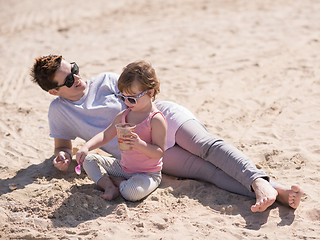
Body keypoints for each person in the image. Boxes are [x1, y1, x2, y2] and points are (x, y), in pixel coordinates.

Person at [31, 54, 303, 212]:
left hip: (163, 120)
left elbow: (144, 100)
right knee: (206, 172)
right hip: (144, 152)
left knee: (208, 147)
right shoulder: (59, 112)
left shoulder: (106, 80)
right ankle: (276, 190)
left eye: (74, 70)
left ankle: (258, 181)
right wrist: (63, 157)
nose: (78, 79)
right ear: (54, 92)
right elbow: (62, 146)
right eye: (68, 80)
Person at [75, 60, 167, 201]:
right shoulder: (124, 116)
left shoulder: (155, 119)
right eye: (123, 97)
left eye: (132, 99)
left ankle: (118, 183)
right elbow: (106, 135)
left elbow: (159, 152)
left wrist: (139, 144)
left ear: (150, 92)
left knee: (131, 193)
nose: (127, 103)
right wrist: (86, 147)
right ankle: (109, 186)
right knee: (88, 160)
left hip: (148, 173)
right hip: (123, 167)